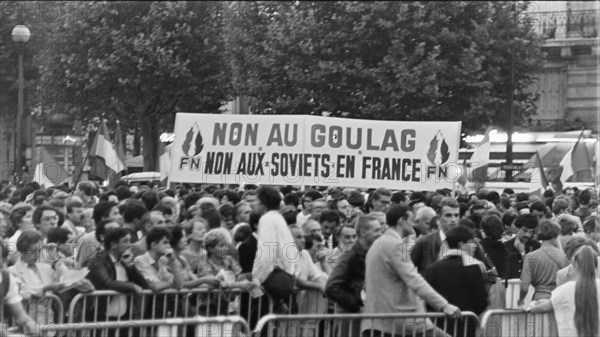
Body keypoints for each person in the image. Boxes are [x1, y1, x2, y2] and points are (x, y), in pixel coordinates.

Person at [362, 204, 461, 337]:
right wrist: (443, 305)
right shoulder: (395, 245)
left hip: (382, 320)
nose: (413, 223)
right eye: (411, 219)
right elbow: (413, 279)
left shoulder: (379, 243)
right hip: (400, 321)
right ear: (401, 221)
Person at [424, 226, 488, 337]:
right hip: (465, 326)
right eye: (471, 243)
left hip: (438, 327)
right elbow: (481, 302)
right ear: (461, 244)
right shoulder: (474, 267)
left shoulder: (431, 269)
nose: (474, 246)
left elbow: (427, 300)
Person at [326, 215, 382, 337]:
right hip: (350, 316)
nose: (380, 233)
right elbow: (332, 287)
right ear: (363, 232)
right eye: (376, 230)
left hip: (366, 316)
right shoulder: (351, 256)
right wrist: (356, 306)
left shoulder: (370, 252)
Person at [528, 246, 600, 337]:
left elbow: (545, 308)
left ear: (575, 264)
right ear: (596, 264)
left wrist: (530, 309)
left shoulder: (566, 289)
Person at [252, 186, 298, 312]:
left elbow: (266, 255)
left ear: (263, 203)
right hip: (286, 277)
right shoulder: (278, 218)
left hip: (273, 281)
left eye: (256, 200)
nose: (254, 204)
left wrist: (257, 280)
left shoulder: (267, 219)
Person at [518, 220, 569, 306]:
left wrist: (521, 299)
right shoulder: (564, 256)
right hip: (559, 299)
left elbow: (524, 287)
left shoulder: (530, 257)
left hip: (539, 299)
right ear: (556, 235)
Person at [411, 197, 461, 274]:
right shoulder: (424, 242)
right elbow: (406, 271)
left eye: (456, 215)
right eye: (448, 215)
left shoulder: (468, 243)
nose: (453, 219)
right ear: (439, 218)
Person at [504, 214, 541, 279]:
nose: (527, 234)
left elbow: (535, 269)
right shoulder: (506, 246)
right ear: (517, 228)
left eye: (530, 232)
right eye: (525, 230)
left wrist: (523, 253)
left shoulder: (536, 246)